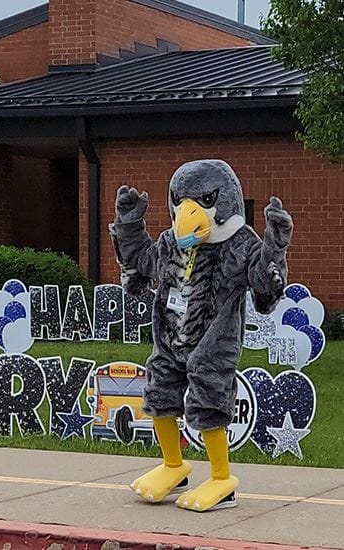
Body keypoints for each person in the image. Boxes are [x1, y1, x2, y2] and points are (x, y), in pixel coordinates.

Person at [110, 160, 293, 512]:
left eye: (203, 200)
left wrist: (274, 247)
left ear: (224, 201)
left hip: (214, 343)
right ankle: (173, 467)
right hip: (170, 339)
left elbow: (262, 279)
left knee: (209, 401)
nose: (187, 212)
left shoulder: (238, 244)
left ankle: (222, 480)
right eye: (179, 202)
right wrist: (130, 224)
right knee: (159, 393)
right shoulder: (171, 243)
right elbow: (144, 261)